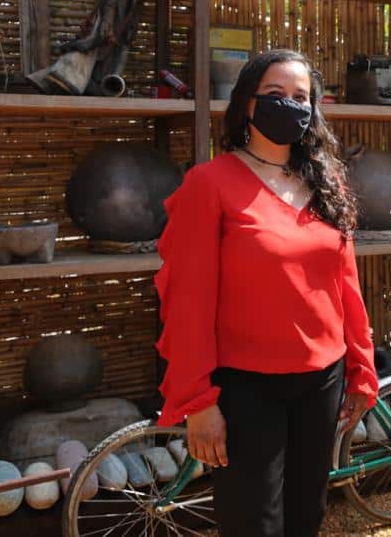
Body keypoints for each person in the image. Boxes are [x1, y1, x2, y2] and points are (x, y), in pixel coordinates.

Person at [154, 49, 378, 537]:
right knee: (253, 523)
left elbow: (345, 284)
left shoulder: (326, 183)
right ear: (247, 103)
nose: (289, 105)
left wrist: (362, 368)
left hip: (322, 381)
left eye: (301, 97)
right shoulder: (209, 183)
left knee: (306, 515)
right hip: (245, 388)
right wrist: (197, 400)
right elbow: (187, 299)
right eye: (276, 94)